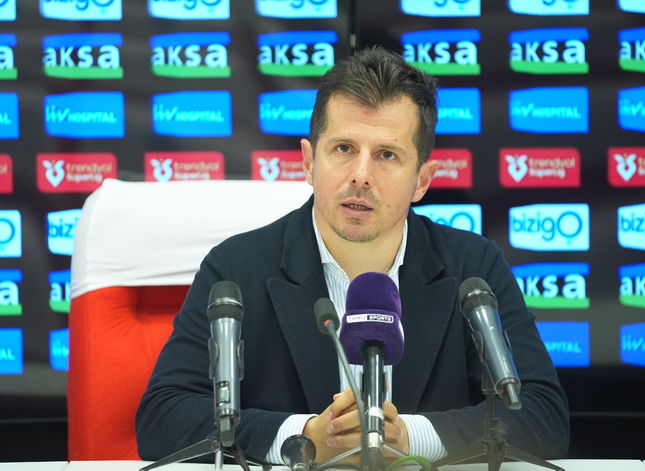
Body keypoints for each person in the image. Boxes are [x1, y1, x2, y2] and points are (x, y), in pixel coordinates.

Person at [135, 46, 569, 465]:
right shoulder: (236, 269)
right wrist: (304, 437)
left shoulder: (473, 267)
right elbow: (162, 417)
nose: (361, 176)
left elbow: (543, 416)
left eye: (386, 155)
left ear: (422, 179)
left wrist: (412, 437)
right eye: (343, 149)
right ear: (309, 162)